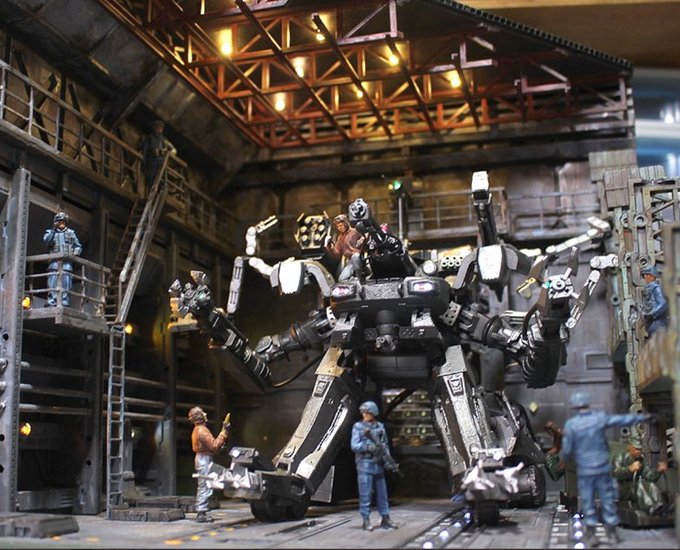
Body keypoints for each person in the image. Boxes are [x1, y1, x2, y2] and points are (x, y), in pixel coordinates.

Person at [561, 391, 650, 546]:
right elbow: (621, 419)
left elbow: (567, 451)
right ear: (587, 404)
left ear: (575, 406)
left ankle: (591, 534)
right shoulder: (599, 418)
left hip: (586, 470)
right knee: (608, 500)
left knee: (588, 501)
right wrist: (644, 417)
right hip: (602, 468)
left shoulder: (571, 425)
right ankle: (612, 533)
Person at [350, 401, 398, 531]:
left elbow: (385, 446)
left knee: (382, 494)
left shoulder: (380, 427)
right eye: (363, 413)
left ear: (373, 413)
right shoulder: (358, 427)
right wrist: (368, 447)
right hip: (365, 464)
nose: (365, 415)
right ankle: (366, 519)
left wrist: (389, 461)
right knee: (365, 494)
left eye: (368, 413)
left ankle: (385, 517)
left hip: (378, 465)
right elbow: (354, 445)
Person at [611, 428, 668, 516]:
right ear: (629, 448)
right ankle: (650, 507)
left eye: (640, 449)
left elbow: (649, 476)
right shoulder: (619, 458)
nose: (638, 451)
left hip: (635, 486)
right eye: (635, 449)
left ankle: (659, 505)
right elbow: (615, 473)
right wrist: (629, 469)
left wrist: (658, 470)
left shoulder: (641, 459)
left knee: (650, 485)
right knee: (639, 485)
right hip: (621, 488)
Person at [189, 406, 230, 523]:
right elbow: (214, 445)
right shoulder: (202, 430)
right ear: (199, 416)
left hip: (202, 458)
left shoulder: (197, 430)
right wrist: (224, 432)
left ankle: (202, 511)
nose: (205, 414)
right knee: (205, 485)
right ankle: (201, 513)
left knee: (205, 484)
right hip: (204, 460)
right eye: (203, 413)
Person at [43, 211, 82, 307]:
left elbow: (78, 246)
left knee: (66, 283)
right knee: (52, 282)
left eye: (63, 221)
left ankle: (64, 302)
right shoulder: (50, 232)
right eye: (60, 221)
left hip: (66, 264)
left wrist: (74, 253)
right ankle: (52, 301)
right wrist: (53, 230)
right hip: (54, 263)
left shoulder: (71, 233)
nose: (62, 223)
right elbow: (47, 241)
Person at [326, 214, 365, 281]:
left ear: (346, 223)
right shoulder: (340, 237)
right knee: (341, 279)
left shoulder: (355, 231)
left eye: (341, 225)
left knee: (355, 256)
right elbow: (337, 253)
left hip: (360, 258)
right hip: (350, 261)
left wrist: (362, 239)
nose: (339, 228)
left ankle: (359, 277)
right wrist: (331, 247)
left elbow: (365, 235)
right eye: (337, 226)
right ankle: (352, 282)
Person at [141, 120, 177, 191]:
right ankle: (149, 192)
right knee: (151, 178)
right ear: (154, 128)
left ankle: (157, 191)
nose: (159, 129)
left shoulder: (164, 140)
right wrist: (144, 161)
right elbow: (144, 150)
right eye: (158, 127)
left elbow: (174, 151)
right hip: (151, 160)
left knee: (159, 180)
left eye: (161, 127)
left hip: (161, 161)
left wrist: (164, 151)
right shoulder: (150, 137)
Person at [640, 265, 668, 336]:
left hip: (658, 322)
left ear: (653, 275)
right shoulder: (649, 288)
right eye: (644, 275)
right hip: (651, 323)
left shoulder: (656, 288)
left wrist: (652, 314)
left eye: (647, 274)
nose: (645, 277)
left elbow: (663, 303)